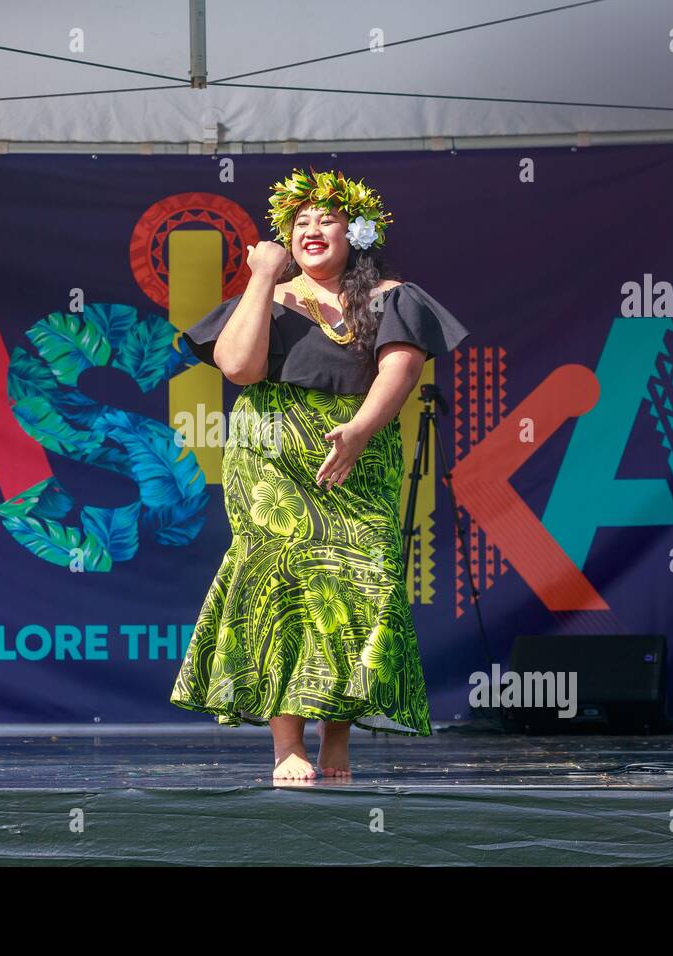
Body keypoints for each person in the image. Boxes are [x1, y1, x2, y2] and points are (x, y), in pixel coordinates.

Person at [169, 167, 470, 780]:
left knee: (355, 587)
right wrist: (261, 277)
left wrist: (359, 432)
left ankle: (337, 735)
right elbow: (238, 368)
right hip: (271, 457)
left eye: (325, 219)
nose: (310, 230)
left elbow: (400, 371)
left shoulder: (393, 296)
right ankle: (287, 747)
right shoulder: (267, 297)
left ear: (355, 231)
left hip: (356, 455)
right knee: (282, 583)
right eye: (298, 222)